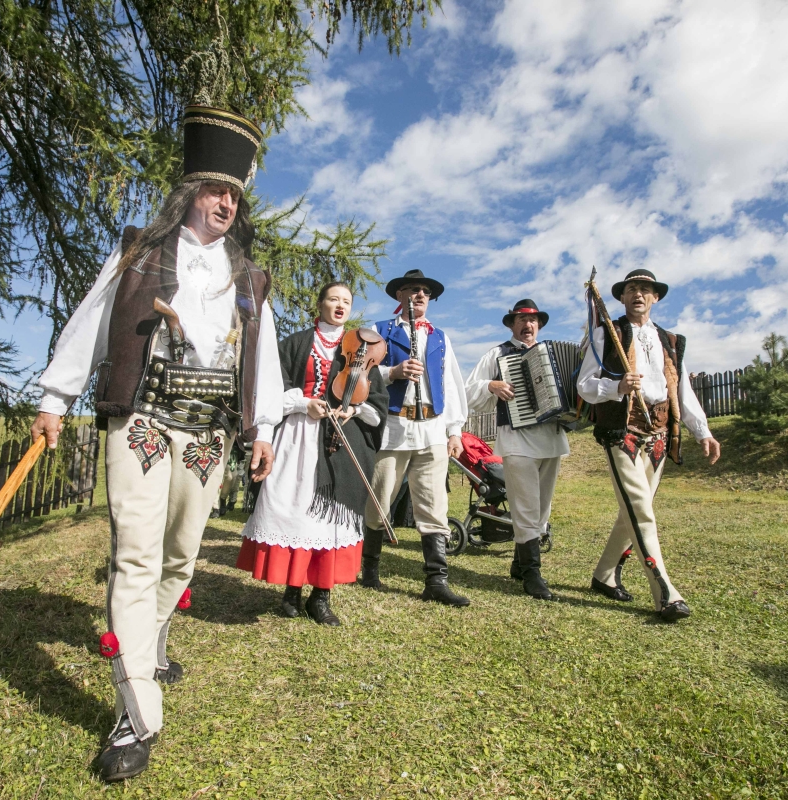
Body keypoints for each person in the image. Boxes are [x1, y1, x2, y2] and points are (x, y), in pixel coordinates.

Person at [30, 106, 283, 781]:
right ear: (190, 193)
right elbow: (91, 321)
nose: (226, 204)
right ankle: (135, 711)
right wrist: (55, 397)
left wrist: (263, 429)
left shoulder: (250, 277)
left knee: (181, 555)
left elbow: (263, 359)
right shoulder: (139, 252)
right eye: (215, 191)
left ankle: (155, 634)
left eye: (234, 196)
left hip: (208, 435)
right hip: (141, 422)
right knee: (136, 556)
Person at [236, 282, 387, 625]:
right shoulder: (295, 343)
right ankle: (292, 590)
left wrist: (354, 410)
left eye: (346, 301)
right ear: (320, 304)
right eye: (333, 299)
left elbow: (377, 403)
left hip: (341, 441)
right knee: (295, 512)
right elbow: (271, 390)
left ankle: (321, 597)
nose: (340, 305)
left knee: (329, 519)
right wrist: (304, 404)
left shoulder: (363, 349)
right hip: (298, 436)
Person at [576, 268, 720, 622]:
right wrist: (617, 387)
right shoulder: (606, 333)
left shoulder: (671, 341)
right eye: (631, 289)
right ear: (622, 297)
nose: (638, 294)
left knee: (633, 512)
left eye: (644, 289)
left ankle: (604, 575)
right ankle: (665, 593)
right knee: (640, 509)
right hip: (621, 431)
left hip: (659, 434)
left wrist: (702, 431)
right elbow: (584, 385)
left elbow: (681, 390)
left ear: (655, 297)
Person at [361, 269, 471, 607]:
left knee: (434, 505)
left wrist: (454, 430)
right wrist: (392, 373)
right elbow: (359, 372)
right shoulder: (379, 330)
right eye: (412, 289)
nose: (420, 295)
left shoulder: (440, 336)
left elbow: (451, 385)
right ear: (400, 296)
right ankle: (369, 569)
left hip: (432, 429)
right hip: (394, 428)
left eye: (424, 290)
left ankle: (436, 581)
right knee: (379, 501)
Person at [465, 299, 568, 601]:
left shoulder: (552, 354)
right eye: (521, 320)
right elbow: (468, 390)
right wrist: (491, 386)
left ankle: (519, 564)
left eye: (533, 320)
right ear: (512, 324)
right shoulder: (497, 354)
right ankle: (532, 573)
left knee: (543, 506)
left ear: (539, 325)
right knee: (525, 506)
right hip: (517, 439)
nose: (528, 324)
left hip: (552, 437)